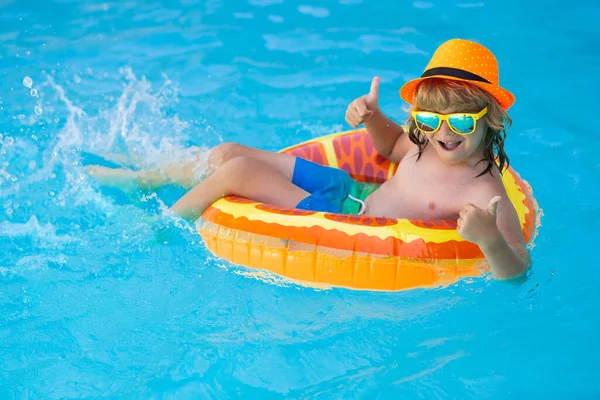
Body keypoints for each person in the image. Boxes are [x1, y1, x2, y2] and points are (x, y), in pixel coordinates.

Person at [88, 38, 530, 279]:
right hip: (350, 194)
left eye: (461, 123)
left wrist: (489, 239)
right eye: (431, 119)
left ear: (490, 120)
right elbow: (389, 148)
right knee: (228, 153)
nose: (444, 133)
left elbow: (519, 265)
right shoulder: (423, 142)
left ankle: (159, 227)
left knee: (238, 172)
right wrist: (374, 118)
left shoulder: (483, 189)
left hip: (347, 223)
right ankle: (141, 179)